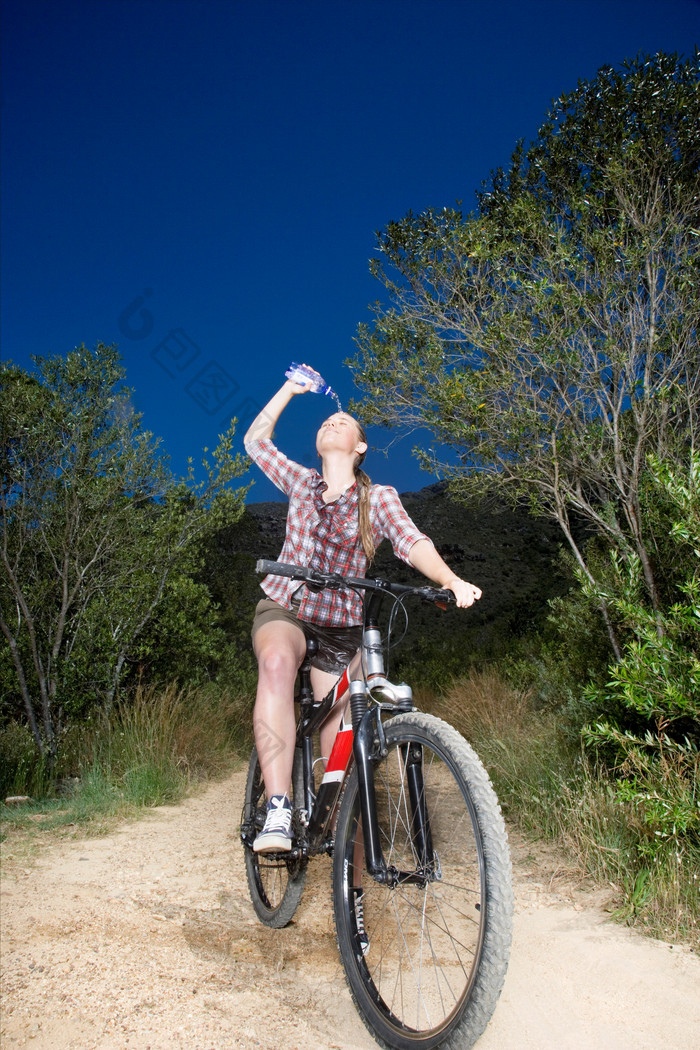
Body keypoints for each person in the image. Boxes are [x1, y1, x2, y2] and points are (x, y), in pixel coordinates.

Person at [244, 374, 482, 854]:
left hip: (344, 628)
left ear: (360, 447)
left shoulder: (380, 498)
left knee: (340, 738)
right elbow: (255, 441)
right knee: (275, 664)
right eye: (328, 420)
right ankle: (277, 806)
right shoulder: (300, 483)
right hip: (288, 608)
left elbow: (412, 542)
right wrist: (290, 389)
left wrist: (450, 580)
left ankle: (338, 843)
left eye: (344, 421)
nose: (333, 421)